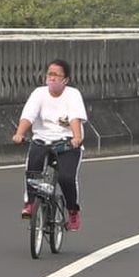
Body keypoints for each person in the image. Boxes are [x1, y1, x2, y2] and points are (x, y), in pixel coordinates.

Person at [11, 59, 88, 231]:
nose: (51, 78)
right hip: (42, 139)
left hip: (66, 143)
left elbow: (75, 117)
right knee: (33, 171)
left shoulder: (72, 94)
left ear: (65, 80)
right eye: (49, 74)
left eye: (56, 75)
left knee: (66, 178)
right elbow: (28, 115)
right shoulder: (39, 93)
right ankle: (30, 203)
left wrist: (76, 137)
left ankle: (72, 211)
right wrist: (19, 133)